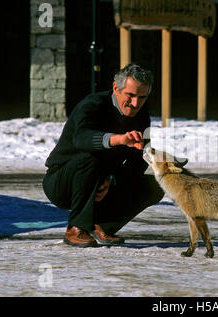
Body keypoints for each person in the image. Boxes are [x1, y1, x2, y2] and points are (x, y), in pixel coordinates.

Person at [42, 63, 164, 247]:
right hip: (62, 181)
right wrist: (118, 139)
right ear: (116, 87)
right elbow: (81, 139)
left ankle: (102, 225)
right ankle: (76, 228)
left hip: (100, 182)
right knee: (90, 158)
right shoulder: (93, 104)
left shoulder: (141, 115)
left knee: (156, 185)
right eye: (130, 95)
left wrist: (112, 179)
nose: (135, 104)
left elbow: (137, 161)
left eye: (142, 97)